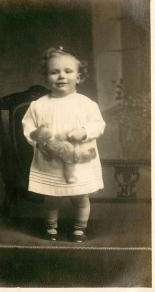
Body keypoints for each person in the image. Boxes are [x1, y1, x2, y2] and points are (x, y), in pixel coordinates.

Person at [22, 46, 106, 243]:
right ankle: (51, 227)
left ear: (79, 76)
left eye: (68, 71)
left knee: (81, 198)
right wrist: (38, 139)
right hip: (50, 160)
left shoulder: (86, 104)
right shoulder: (38, 105)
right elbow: (28, 127)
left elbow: (98, 125)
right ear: (46, 77)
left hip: (78, 160)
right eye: (54, 72)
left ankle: (79, 229)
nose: (61, 76)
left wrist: (84, 132)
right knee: (52, 198)